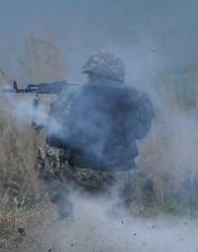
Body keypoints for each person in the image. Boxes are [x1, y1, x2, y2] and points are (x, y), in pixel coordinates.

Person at [37, 51, 155, 218]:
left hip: (85, 175)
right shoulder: (137, 96)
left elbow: (55, 138)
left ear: (94, 75)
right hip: (124, 177)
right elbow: (141, 133)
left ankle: (66, 210)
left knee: (47, 153)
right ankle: (119, 210)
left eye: (90, 74)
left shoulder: (75, 94)